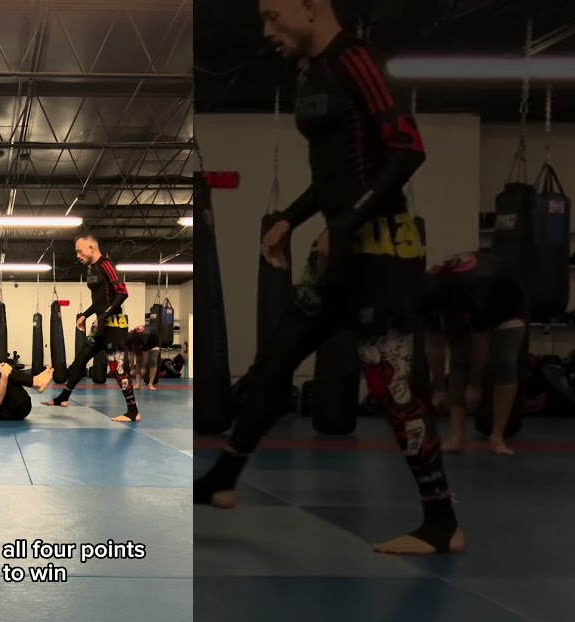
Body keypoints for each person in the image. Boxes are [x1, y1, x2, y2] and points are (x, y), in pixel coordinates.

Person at [195, 0, 466, 557]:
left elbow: (408, 148)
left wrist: (345, 224)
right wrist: (290, 220)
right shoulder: (312, 72)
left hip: (383, 253)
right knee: (273, 361)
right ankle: (224, 478)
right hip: (339, 256)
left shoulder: (355, 59)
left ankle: (442, 524)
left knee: (391, 389)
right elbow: (336, 176)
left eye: (274, 15)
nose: (267, 29)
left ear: (311, 6)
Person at [422, 251, 528, 456]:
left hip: (507, 304)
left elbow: (481, 342)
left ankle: (497, 437)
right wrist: (439, 388)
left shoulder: (475, 290)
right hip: (468, 298)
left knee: (505, 362)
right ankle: (457, 437)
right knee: (459, 359)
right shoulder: (428, 295)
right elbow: (434, 344)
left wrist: (475, 385)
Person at [46, 234, 141, 422]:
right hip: (100, 324)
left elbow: (122, 292)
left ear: (91, 248)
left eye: (79, 251)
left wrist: (103, 315)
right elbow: (99, 300)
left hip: (115, 324)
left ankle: (133, 411)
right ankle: (63, 397)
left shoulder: (106, 264)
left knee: (117, 368)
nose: (77, 256)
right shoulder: (92, 269)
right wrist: (85, 315)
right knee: (80, 360)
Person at [126, 325, 162, 391]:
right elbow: (130, 355)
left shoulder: (144, 337)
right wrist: (132, 368)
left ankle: (150, 384)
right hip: (141, 341)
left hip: (154, 342)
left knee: (153, 360)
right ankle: (138, 384)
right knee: (138, 360)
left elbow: (145, 354)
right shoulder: (128, 339)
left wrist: (143, 367)